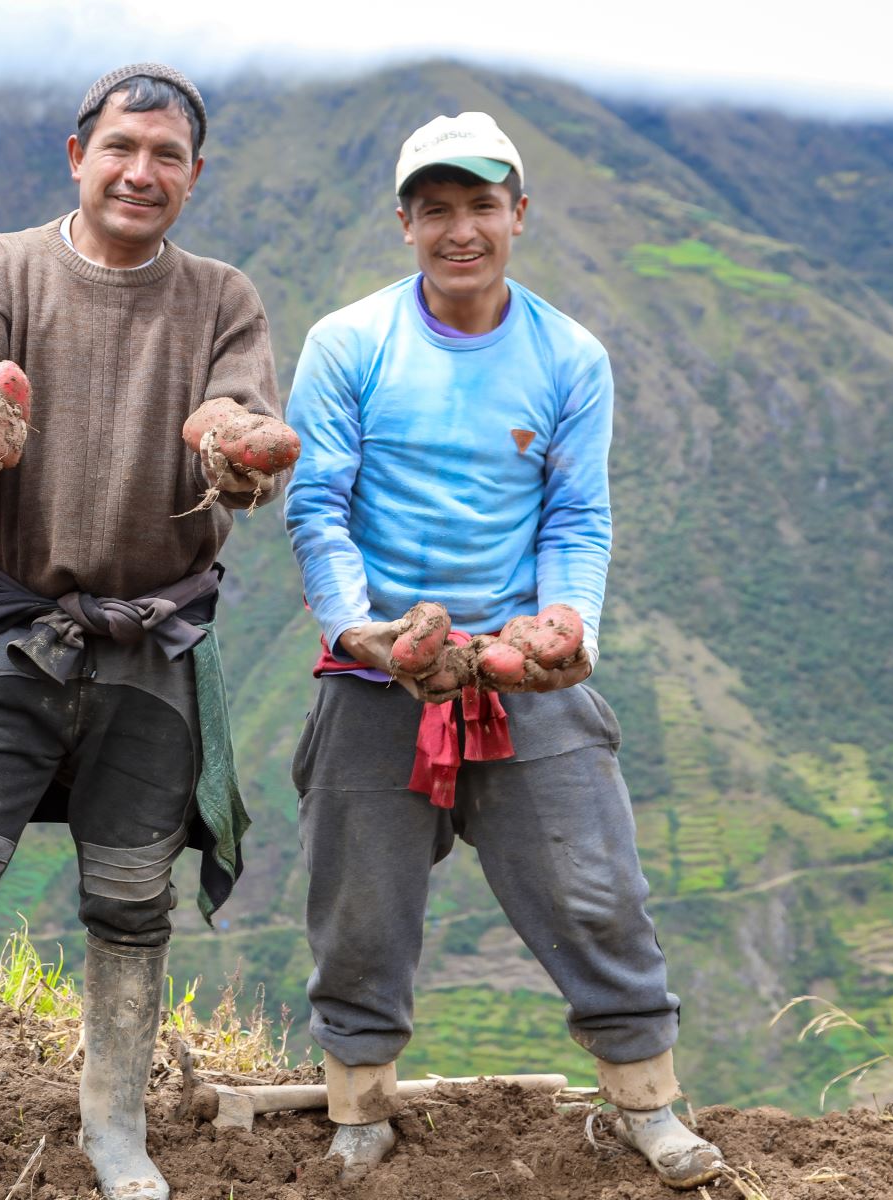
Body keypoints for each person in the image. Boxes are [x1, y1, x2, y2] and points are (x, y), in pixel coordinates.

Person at [0, 63, 280, 1200]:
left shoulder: (223, 299)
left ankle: (114, 1127)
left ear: (194, 175)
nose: (141, 172)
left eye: (166, 156)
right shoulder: (2, 268)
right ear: (76, 156)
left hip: (154, 644)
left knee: (132, 894)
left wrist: (233, 443)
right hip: (20, 627)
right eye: (121, 148)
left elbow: (247, 435)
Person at [283, 112, 726, 1190]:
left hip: (517, 669)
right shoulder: (350, 344)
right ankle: (360, 1109)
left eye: (482, 204)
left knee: (595, 890)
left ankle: (646, 1103)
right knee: (361, 905)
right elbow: (316, 508)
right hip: (380, 667)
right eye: (436, 208)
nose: (461, 228)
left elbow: (578, 518)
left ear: (518, 214)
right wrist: (362, 632)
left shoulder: (568, 355)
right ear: (405, 224)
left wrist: (569, 628)